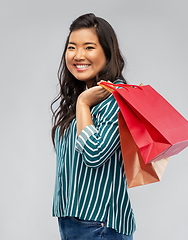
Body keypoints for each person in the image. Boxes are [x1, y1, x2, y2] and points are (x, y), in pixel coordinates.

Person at [51, 13, 136, 240]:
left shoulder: (116, 99)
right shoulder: (82, 96)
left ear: (107, 53)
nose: (78, 55)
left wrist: (83, 103)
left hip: (99, 225)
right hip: (74, 222)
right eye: (72, 47)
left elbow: (94, 154)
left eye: (89, 47)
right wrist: (82, 100)